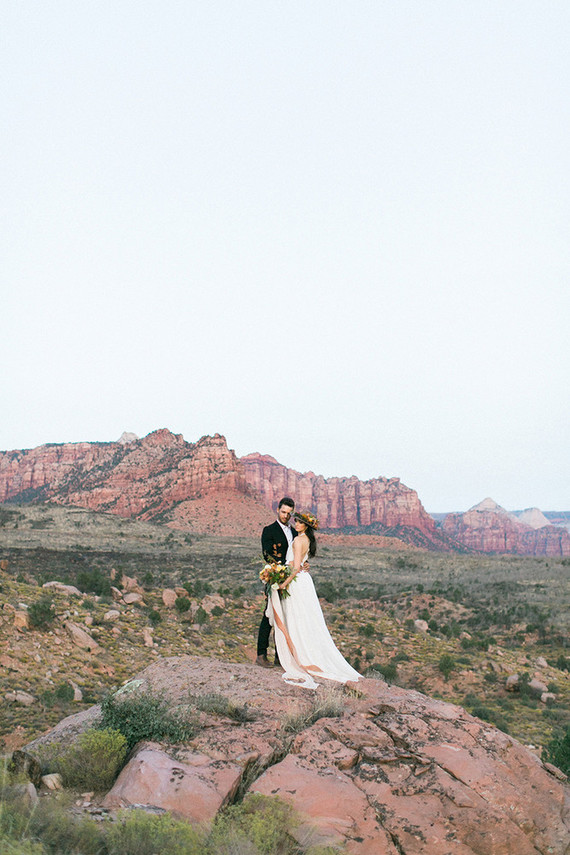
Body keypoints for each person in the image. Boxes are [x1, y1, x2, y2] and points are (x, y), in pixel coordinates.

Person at [267, 510, 361, 689]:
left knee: (296, 619)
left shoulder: (298, 540)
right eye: (297, 521)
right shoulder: (307, 540)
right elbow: (301, 563)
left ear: (306, 526)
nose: (297, 524)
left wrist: (283, 584)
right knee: (307, 619)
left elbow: (294, 568)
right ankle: (305, 653)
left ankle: (300, 656)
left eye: (300, 522)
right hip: (305, 582)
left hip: (295, 582)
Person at [256, 497, 297, 667]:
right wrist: (279, 571)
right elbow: (268, 555)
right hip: (275, 578)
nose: (286, 516)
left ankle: (281, 656)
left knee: (287, 617)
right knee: (269, 615)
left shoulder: (295, 533)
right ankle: (261, 654)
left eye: (289, 513)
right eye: (283, 512)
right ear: (277, 510)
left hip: (291, 580)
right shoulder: (269, 530)